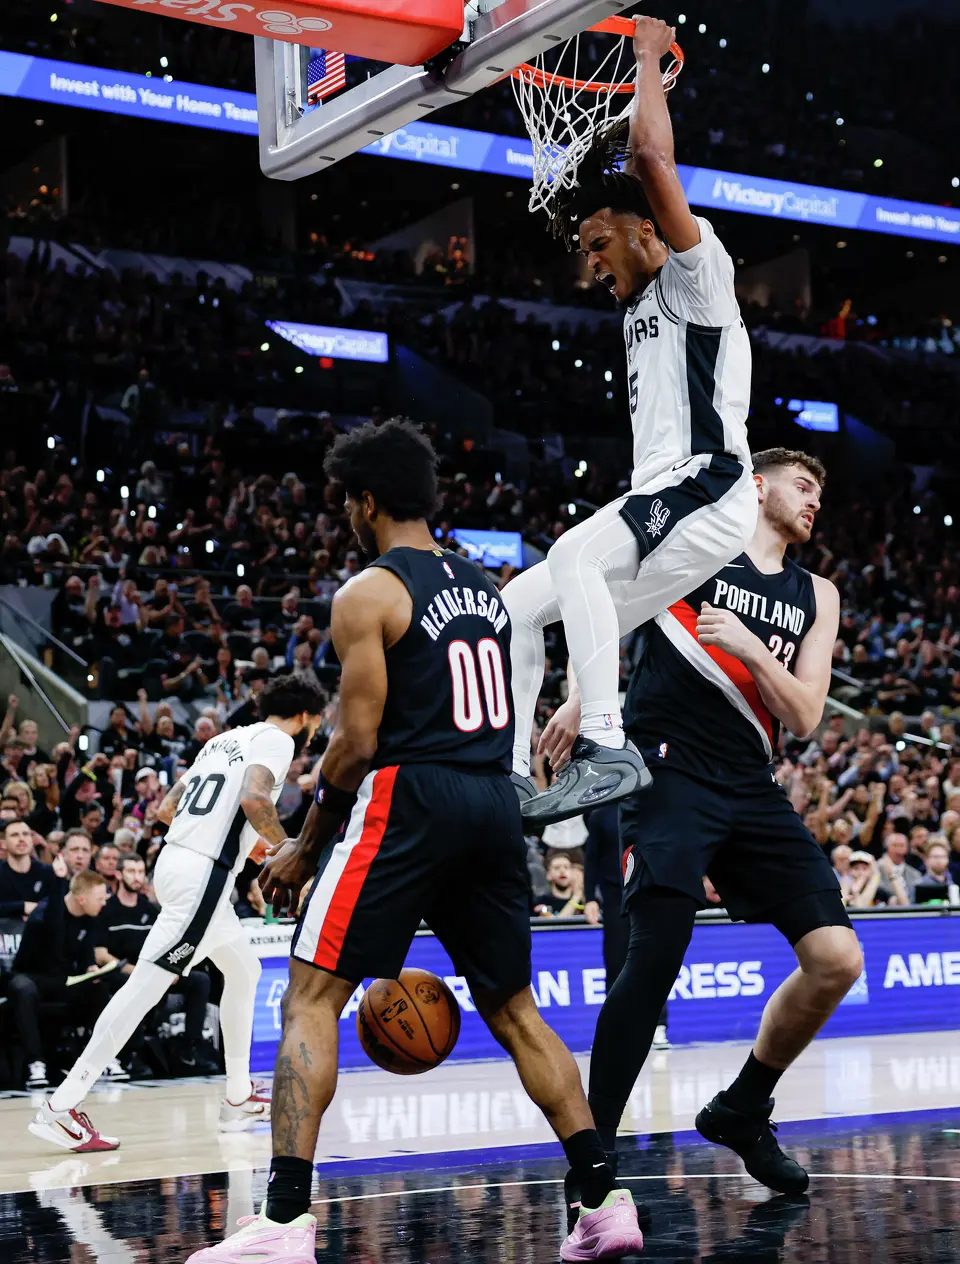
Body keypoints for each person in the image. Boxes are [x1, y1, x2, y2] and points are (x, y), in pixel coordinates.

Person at [189, 419, 644, 1263]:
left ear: (366, 500)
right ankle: (604, 1199)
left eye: (346, 504)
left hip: (412, 796)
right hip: (491, 803)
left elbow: (357, 745)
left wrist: (304, 846)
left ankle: (285, 1219)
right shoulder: (487, 589)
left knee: (312, 996)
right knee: (516, 1011)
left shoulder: (369, 591)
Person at [540, 447, 862, 1199]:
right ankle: (593, 1163)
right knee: (653, 961)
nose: (815, 500)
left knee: (838, 959)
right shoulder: (695, 550)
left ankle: (743, 1106)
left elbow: (808, 716)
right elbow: (606, 612)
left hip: (751, 784)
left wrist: (751, 648)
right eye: (803, 484)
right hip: (668, 768)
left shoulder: (819, 593)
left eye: (821, 491)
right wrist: (580, 696)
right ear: (758, 485)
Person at [503, 16, 757, 825]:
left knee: (576, 550)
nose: (591, 261)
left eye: (598, 241)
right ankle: (510, 775)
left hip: (710, 488)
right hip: (670, 503)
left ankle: (610, 750)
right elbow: (624, 161)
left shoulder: (698, 277)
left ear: (649, 229)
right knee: (515, 606)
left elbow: (651, 161)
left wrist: (646, 56)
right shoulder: (637, 302)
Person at [28, 675, 326, 1153]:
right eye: (317, 721)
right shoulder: (276, 740)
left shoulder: (222, 741)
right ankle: (61, 1106)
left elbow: (167, 808)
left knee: (244, 970)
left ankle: (236, 1094)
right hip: (203, 877)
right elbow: (253, 798)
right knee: (144, 987)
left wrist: (245, 844)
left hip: (176, 863)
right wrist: (286, 850)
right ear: (307, 717)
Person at [11, 866, 114, 1091]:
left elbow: (86, 952)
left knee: (99, 988)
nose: (104, 903)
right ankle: (35, 1063)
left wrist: (91, 968)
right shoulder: (44, 914)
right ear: (81, 898)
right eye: (99, 898)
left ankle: (99, 1060)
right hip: (33, 977)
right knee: (23, 988)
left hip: (63, 980)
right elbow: (52, 946)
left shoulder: (90, 917)